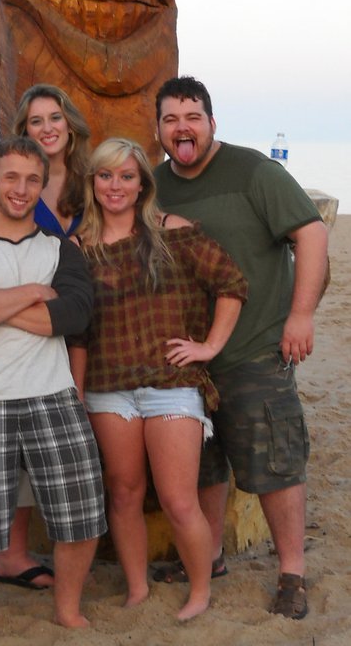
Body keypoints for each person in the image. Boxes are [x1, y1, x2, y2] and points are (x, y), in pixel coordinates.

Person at [152, 76, 329, 620]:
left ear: (211, 122)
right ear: (158, 128)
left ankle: (291, 574)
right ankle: (210, 557)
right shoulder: (154, 184)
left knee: (274, 466)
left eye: (193, 116)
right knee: (204, 470)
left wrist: (300, 315)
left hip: (253, 349)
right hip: (186, 359)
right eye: (171, 119)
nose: (183, 128)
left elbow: (312, 235)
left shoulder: (255, 171)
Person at [69, 138, 248, 620]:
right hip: (109, 387)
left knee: (176, 498)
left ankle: (199, 591)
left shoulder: (174, 232)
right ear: (93, 182)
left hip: (170, 383)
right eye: (105, 176)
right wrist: (79, 392)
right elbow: (78, 332)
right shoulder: (78, 246)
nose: (115, 186)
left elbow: (231, 283)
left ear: (142, 184)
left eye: (127, 176)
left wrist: (208, 346)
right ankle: (136, 589)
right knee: (124, 493)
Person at [0, 135, 107, 635]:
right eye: (10, 177)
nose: (21, 188)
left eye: (33, 179)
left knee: (80, 510)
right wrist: (35, 294)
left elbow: (75, 313)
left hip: (52, 394)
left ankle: (67, 609)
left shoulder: (61, 250)